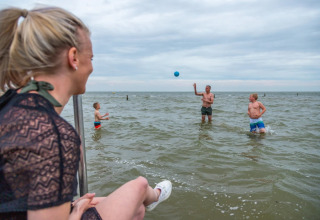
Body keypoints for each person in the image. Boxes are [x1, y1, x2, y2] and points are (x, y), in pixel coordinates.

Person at [0, 6, 172, 220]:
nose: (91, 68)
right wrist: (77, 212)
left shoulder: (8, 103)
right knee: (139, 186)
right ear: (73, 58)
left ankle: (151, 197)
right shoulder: (53, 134)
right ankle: (154, 195)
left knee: (135, 207)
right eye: (91, 58)